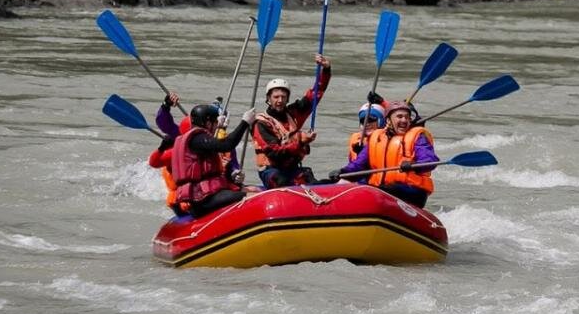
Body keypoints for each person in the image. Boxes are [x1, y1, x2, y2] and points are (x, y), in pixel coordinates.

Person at [333, 100, 438, 208]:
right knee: (337, 183)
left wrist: (413, 165)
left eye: (407, 117)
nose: (404, 120)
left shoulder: (418, 138)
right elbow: (359, 164)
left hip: (412, 190)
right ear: (388, 120)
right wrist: (342, 172)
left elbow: (430, 161)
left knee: (375, 190)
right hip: (382, 188)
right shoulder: (376, 137)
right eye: (400, 117)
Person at [252, 53, 332, 188]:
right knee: (281, 181)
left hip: (292, 168)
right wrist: (301, 141)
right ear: (269, 99)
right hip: (271, 170)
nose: (280, 100)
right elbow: (275, 154)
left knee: (310, 180)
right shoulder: (261, 123)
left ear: (288, 98)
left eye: (283, 97)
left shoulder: (293, 113)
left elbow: (315, 94)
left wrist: (326, 69)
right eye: (276, 97)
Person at [172, 103, 257, 218]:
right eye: (215, 123)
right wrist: (245, 123)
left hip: (206, 196)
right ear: (207, 123)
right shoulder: (197, 139)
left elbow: (214, 148)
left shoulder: (197, 139)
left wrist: (232, 176)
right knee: (254, 196)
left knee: (254, 189)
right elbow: (227, 145)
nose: (216, 126)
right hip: (202, 200)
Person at [148, 113, 191, 216]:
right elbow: (153, 162)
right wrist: (161, 148)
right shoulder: (175, 150)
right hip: (181, 198)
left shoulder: (211, 140)